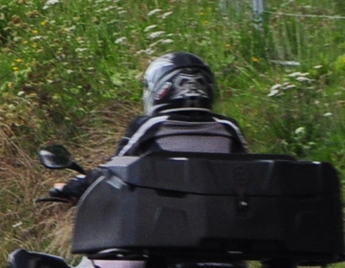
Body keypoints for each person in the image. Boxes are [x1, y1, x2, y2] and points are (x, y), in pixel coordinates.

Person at [48, 52, 247, 200]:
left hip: (160, 232)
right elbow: (252, 173)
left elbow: (113, 169)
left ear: (160, 88)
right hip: (222, 232)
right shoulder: (228, 128)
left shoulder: (150, 126)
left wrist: (74, 186)